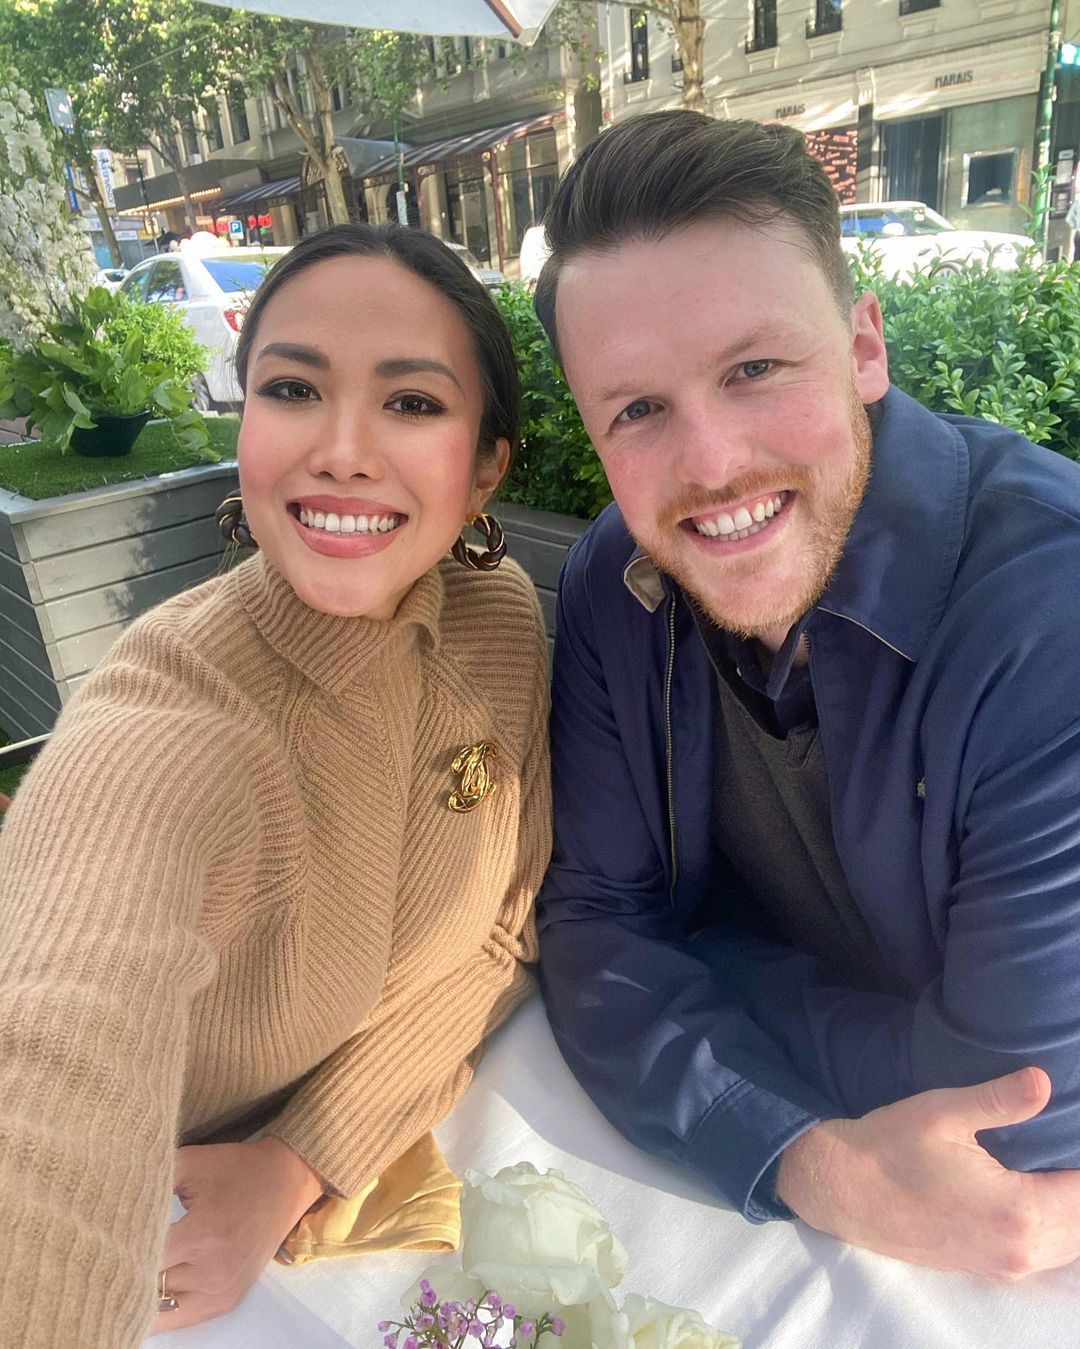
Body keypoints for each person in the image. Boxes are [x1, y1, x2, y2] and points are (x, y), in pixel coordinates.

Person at [533, 111, 1080, 1280]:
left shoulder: (1052, 613)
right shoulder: (612, 589)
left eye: (754, 369)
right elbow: (592, 928)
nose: (712, 463)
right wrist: (802, 1155)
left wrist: (700, 964)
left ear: (864, 348)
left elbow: (1016, 1114)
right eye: (637, 409)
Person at [0, 223, 551, 1347]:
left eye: (411, 402)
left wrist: (299, 1158)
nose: (341, 450)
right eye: (293, 389)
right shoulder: (166, 727)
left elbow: (505, 930)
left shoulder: (498, 621)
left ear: (488, 465)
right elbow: (49, 1068)